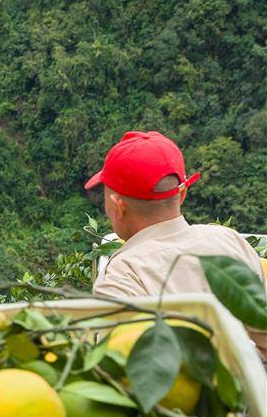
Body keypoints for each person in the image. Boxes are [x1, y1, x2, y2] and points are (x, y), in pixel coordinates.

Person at [88, 129, 267, 361]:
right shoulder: (229, 241)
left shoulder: (122, 274)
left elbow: (126, 368)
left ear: (118, 205)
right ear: (182, 195)